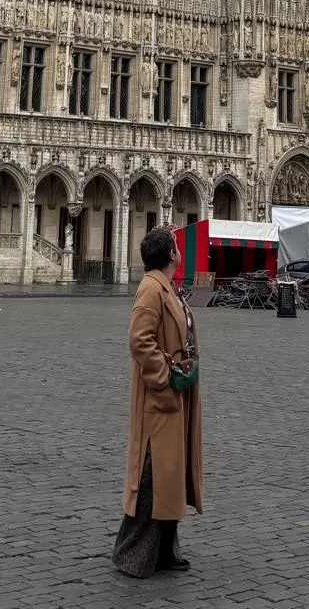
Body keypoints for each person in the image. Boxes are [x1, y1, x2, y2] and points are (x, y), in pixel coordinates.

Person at [113, 226, 204, 578]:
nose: (180, 250)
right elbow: (139, 340)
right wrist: (165, 378)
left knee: (169, 476)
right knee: (153, 477)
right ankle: (133, 553)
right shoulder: (151, 288)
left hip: (174, 397)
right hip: (160, 398)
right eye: (177, 246)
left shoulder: (166, 286)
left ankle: (165, 550)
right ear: (170, 255)